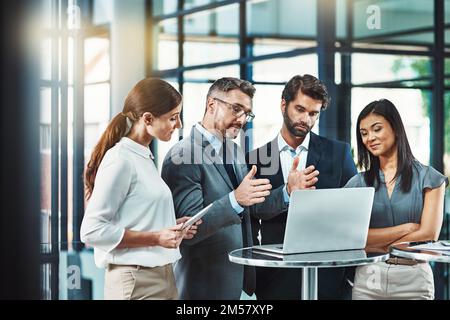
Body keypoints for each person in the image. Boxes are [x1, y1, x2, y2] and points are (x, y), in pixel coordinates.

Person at [161, 77, 311, 299]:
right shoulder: (182, 156)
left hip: (238, 281)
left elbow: (252, 207)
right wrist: (235, 200)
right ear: (211, 104)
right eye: (236, 109)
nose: (242, 120)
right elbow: (188, 232)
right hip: (203, 285)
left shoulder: (234, 151)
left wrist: (288, 192)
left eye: (247, 113)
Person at [80, 78, 200, 300]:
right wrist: (156, 237)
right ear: (147, 118)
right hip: (136, 281)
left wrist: (172, 228)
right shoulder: (120, 159)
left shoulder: (143, 156)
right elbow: (91, 230)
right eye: (173, 117)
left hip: (163, 276)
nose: (179, 124)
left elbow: (137, 215)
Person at [246, 74, 358, 299]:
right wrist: (288, 193)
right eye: (300, 109)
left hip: (329, 276)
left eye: (313, 113)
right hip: (274, 278)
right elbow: (253, 211)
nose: (306, 119)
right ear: (283, 105)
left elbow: (354, 211)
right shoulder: (255, 159)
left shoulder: (339, 153)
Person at [345, 99, 448, 300]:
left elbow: (429, 234)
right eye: (364, 133)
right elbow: (351, 238)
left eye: (377, 129)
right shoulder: (357, 183)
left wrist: (374, 243)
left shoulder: (431, 178)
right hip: (369, 279)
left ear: (396, 129)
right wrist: (407, 229)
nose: (370, 138)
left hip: (414, 280)